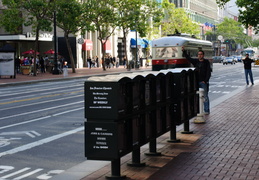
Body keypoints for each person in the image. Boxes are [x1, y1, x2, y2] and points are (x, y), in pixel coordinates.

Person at [182, 47, 211, 114]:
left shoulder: (206, 62)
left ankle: (206, 110)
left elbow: (208, 72)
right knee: (198, 96)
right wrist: (184, 51)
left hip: (203, 82)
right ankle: (198, 110)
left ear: (203, 55)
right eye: (198, 54)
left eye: (201, 54)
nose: (199, 55)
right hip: (197, 81)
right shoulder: (196, 61)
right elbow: (189, 58)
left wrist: (205, 80)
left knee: (205, 96)